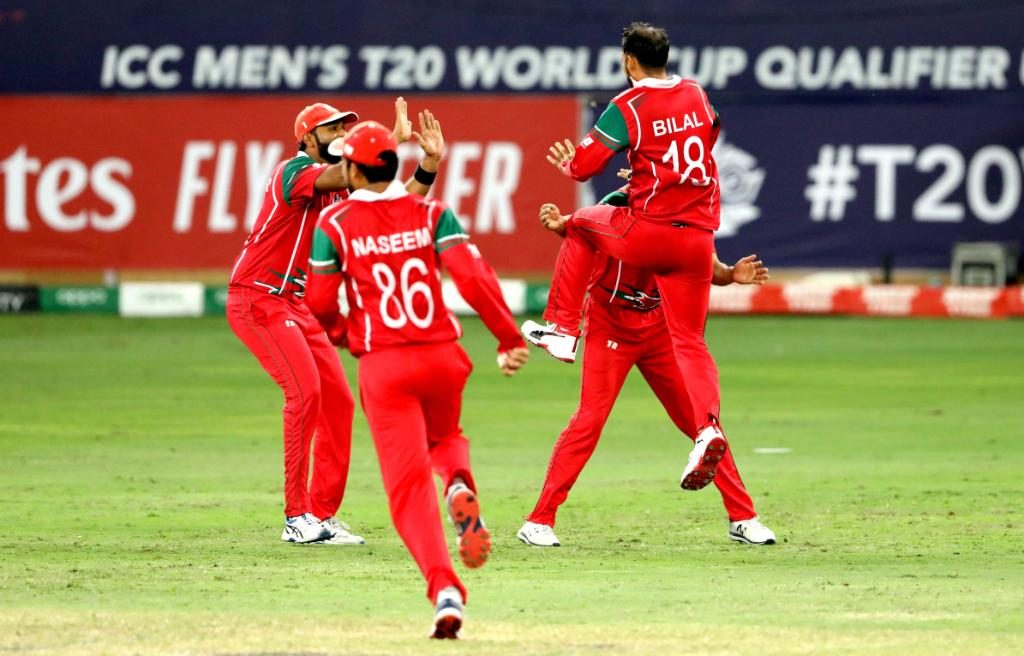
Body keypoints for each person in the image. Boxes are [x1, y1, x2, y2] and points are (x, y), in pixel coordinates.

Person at [304, 121, 530, 639]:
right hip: (442, 356)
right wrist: (507, 337)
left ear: (353, 169)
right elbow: (472, 277)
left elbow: (318, 302)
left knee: (407, 491)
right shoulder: (431, 212)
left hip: (384, 365)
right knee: (446, 439)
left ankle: (445, 590)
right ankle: (457, 483)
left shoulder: (335, 223)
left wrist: (343, 334)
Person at [521, 21, 732, 493]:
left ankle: (561, 331)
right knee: (692, 343)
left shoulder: (628, 105)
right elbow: (709, 132)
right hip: (698, 237)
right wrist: (658, 164)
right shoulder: (696, 93)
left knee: (580, 223)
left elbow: (583, 167)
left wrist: (570, 163)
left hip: (650, 232)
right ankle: (708, 428)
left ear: (629, 61)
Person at [226, 98, 444, 545]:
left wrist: (428, 165)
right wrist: (387, 142)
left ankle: (321, 514)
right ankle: (296, 517)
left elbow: (400, 209)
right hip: (258, 298)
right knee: (304, 394)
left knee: (338, 402)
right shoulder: (294, 170)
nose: (342, 134)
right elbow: (346, 173)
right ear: (308, 138)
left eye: (346, 128)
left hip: (296, 305)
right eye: (332, 129)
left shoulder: (344, 186)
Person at [518, 194, 776, 548]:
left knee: (704, 427)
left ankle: (743, 518)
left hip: (659, 328)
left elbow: (708, 265)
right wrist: (559, 223)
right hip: (609, 325)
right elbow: (577, 229)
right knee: (589, 420)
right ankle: (538, 521)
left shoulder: (684, 223)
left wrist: (731, 275)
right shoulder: (613, 214)